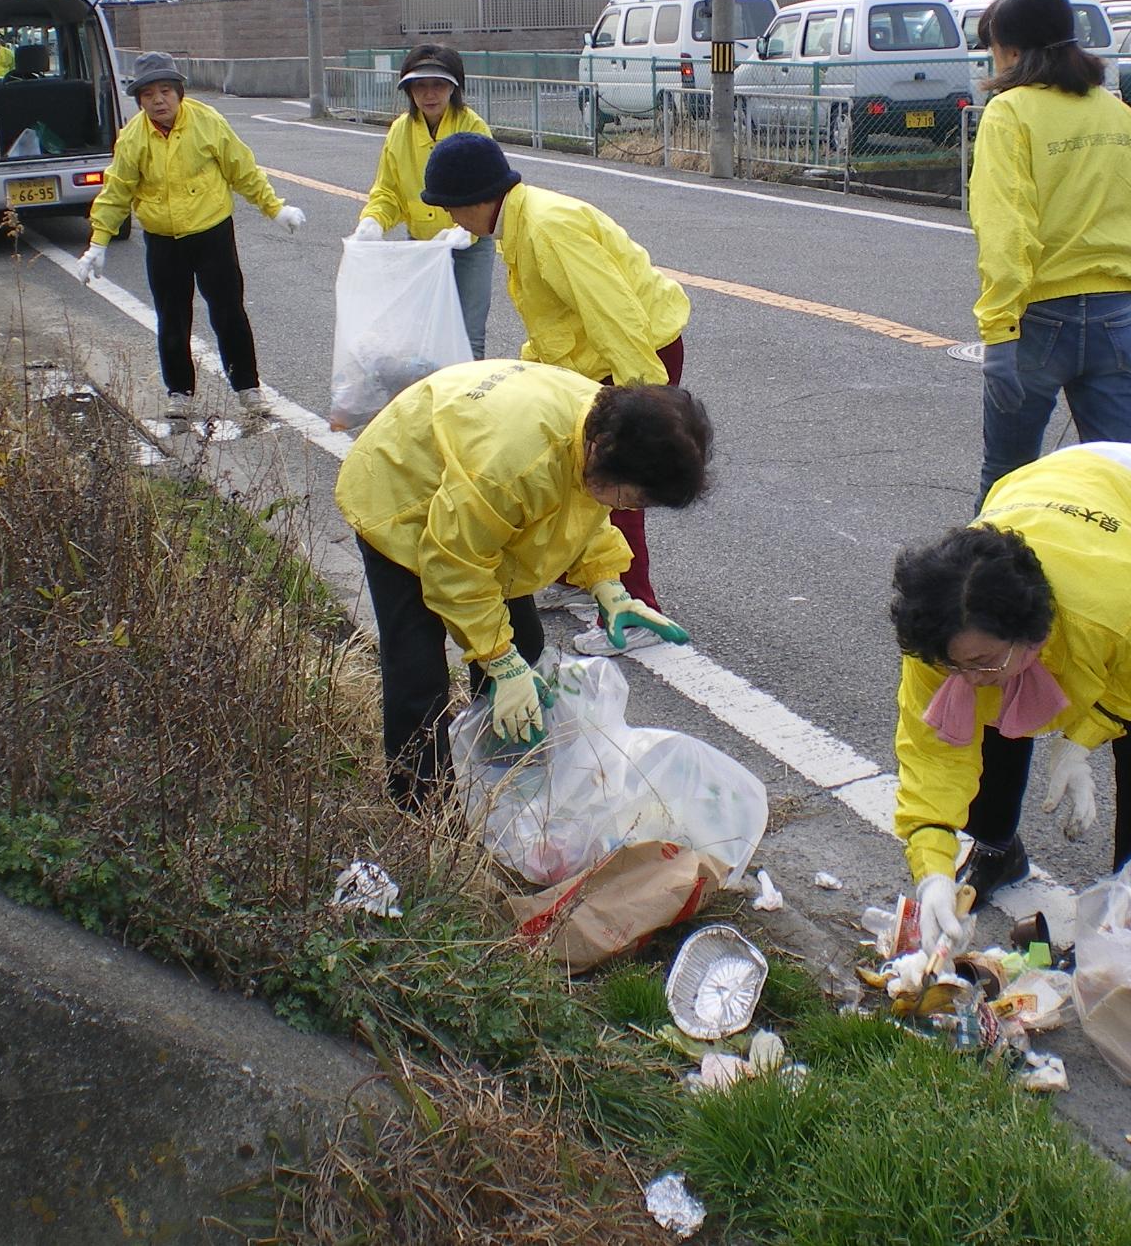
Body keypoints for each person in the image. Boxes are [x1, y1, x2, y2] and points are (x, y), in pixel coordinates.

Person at [887, 442, 1131, 953]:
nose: (966, 675)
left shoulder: (1120, 612)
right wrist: (932, 868)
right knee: (984, 697)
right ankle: (997, 846)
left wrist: (1083, 739)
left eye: (979, 660)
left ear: (1033, 634)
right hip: (1048, 494)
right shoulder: (944, 633)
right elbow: (931, 751)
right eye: (953, 663)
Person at [335, 359, 711, 805]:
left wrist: (607, 585)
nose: (628, 508)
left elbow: (579, 513)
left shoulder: (602, 430)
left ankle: (505, 791)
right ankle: (423, 813)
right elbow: (455, 563)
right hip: (400, 492)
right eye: (629, 496)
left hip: (473, 502)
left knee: (526, 651)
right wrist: (498, 660)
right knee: (419, 672)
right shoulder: (515, 463)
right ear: (601, 450)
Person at [420, 133, 693, 658]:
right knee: (569, 468)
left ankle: (635, 606)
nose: (452, 220)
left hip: (630, 358)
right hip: (595, 362)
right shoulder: (520, 225)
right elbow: (557, 320)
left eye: (452, 209)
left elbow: (614, 313)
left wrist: (646, 401)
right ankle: (578, 579)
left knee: (613, 483)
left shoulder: (548, 227)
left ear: (479, 199)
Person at [968, 0, 1131, 502]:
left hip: (1037, 320)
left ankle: (984, 585)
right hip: (1116, 316)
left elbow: (1006, 226)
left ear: (1010, 51)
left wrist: (998, 329)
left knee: (1008, 481)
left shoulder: (1010, 112)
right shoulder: (1115, 112)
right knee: (1119, 483)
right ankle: (1123, 578)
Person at [73, 52, 307, 427]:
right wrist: (98, 242)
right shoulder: (133, 137)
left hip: (211, 231)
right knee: (172, 318)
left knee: (228, 312)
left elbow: (242, 169)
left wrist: (274, 208)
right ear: (139, 101)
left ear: (179, 92)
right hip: (163, 239)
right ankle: (179, 393)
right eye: (148, 94)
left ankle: (248, 388)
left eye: (166, 90)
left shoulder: (207, 122)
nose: (158, 100)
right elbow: (117, 190)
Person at [356, 44, 497, 359]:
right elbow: (388, 190)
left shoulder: (472, 127)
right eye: (420, 86)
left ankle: (467, 405)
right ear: (409, 91)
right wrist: (373, 220)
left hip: (469, 244)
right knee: (424, 334)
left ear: (453, 88)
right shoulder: (400, 132)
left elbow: (489, 188)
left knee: (468, 334)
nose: (429, 94)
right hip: (422, 244)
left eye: (438, 85)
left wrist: (467, 230)